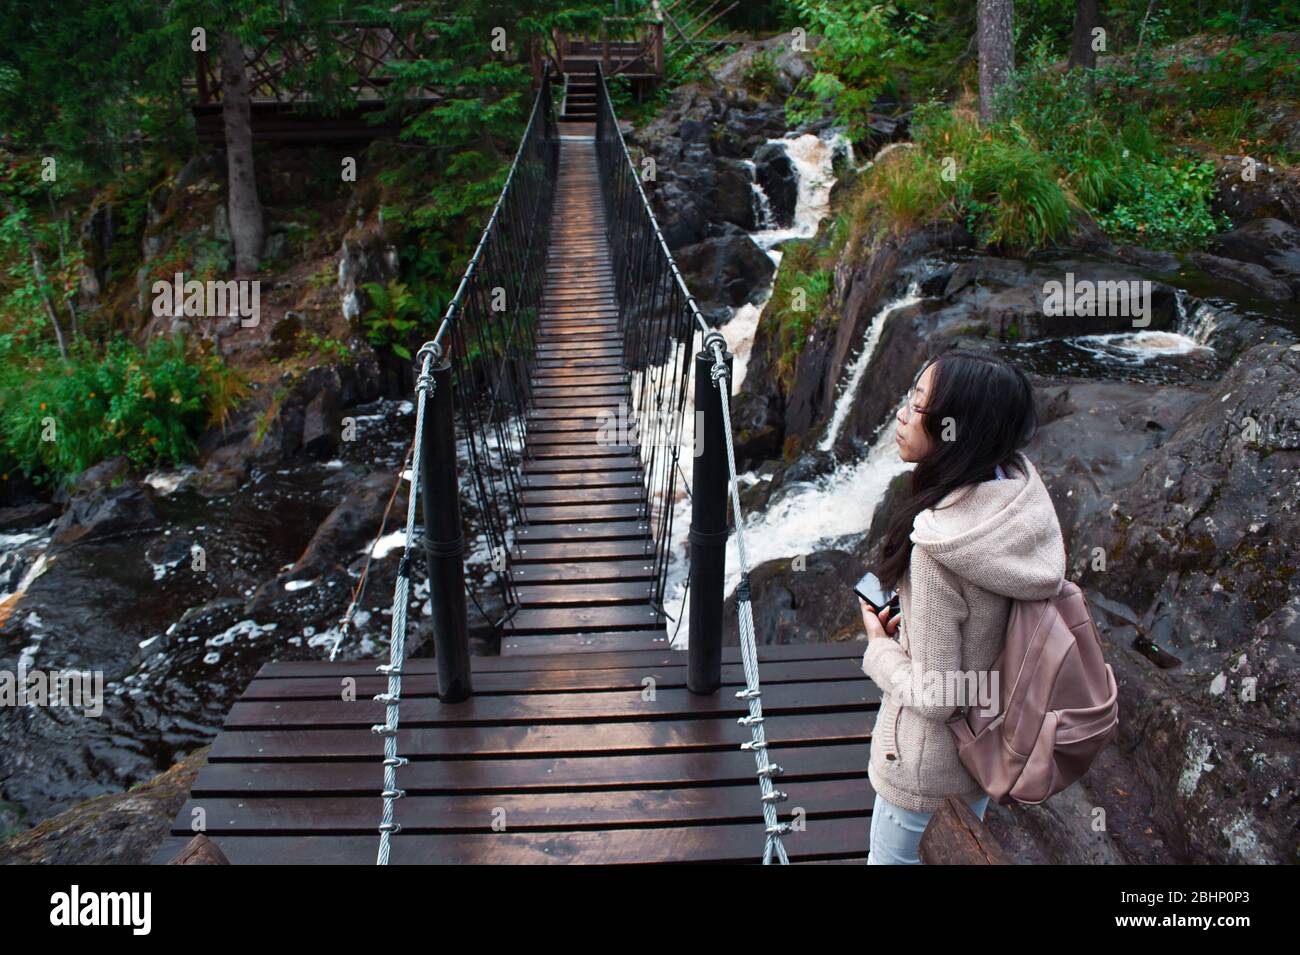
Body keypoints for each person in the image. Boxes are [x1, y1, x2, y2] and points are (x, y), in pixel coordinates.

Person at [858, 349, 1066, 864]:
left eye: (920, 404)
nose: (903, 414)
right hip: (981, 754)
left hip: (922, 772)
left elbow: (937, 695)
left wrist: (879, 647)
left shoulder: (937, 549)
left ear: (957, 429)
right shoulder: (1014, 499)